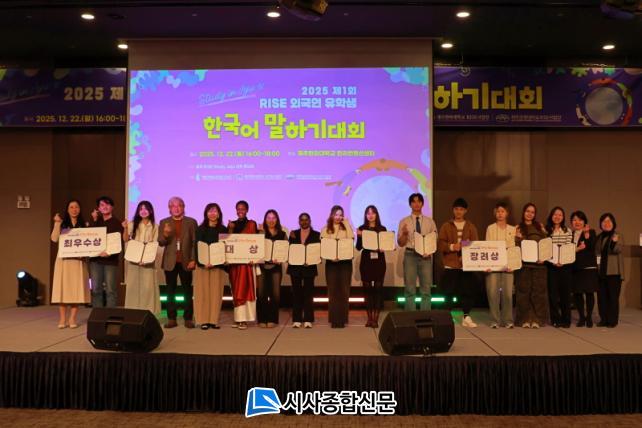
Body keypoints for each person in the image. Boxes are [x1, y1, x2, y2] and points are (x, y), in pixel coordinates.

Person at [438, 197, 480, 327]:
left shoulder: (471, 226)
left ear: (465, 211)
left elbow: (475, 244)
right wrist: (452, 247)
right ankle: (447, 316)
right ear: (453, 210)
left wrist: (465, 253)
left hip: (466, 265)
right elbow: (440, 243)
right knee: (448, 291)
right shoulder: (446, 225)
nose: (458, 212)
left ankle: (466, 316)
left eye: (461, 209)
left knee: (467, 291)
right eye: (456, 209)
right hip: (450, 264)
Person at [158, 197, 197, 329]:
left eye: (179, 205)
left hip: (186, 261)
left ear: (183, 207)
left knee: (187, 291)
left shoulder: (191, 222)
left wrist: (193, 259)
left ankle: (188, 318)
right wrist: (165, 234)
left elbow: (194, 243)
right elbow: (161, 242)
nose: (176, 208)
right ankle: (171, 318)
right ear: (169, 208)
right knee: (170, 291)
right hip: (170, 261)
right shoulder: (164, 222)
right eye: (173, 206)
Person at [51, 200, 90, 328]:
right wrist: (57, 223)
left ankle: (72, 318)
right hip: (64, 261)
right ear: (67, 210)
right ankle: (62, 319)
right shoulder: (62, 224)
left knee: (76, 289)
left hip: (78, 261)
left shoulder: (84, 225)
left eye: (76, 207)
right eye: (71, 207)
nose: (74, 209)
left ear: (80, 209)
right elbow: (54, 238)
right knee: (62, 289)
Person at [397, 193, 437, 311]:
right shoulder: (404, 221)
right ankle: (410, 316)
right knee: (410, 289)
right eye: (413, 201)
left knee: (426, 289)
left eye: (419, 201)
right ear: (410, 204)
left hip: (425, 256)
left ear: (422, 204)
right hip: (410, 255)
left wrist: (429, 251)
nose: (416, 204)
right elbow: (400, 243)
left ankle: (425, 316)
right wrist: (404, 234)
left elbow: (434, 239)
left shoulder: (430, 222)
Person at [194, 203, 228, 330]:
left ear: (219, 214)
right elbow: (197, 247)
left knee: (216, 293)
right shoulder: (200, 229)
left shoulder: (223, 229)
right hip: (203, 266)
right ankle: (203, 320)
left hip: (217, 266)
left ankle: (213, 320)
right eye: (210, 211)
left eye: (215, 211)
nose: (212, 214)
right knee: (203, 293)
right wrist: (203, 262)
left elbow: (225, 247)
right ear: (206, 213)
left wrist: (217, 261)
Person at [515, 203, 549, 329]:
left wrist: (543, 257)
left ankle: (537, 319)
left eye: (532, 212)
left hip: (539, 266)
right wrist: (517, 238)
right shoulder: (518, 228)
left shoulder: (539, 227)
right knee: (523, 293)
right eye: (527, 211)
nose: (530, 214)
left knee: (538, 293)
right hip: (524, 265)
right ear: (523, 212)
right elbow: (515, 248)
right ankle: (524, 319)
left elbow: (546, 245)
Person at [123, 200, 160, 314]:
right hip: (134, 260)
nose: (143, 211)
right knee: (133, 286)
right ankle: (132, 312)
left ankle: (148, 312)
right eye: (141, 209)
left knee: (148, 288)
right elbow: (125, 239)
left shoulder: (155, 226)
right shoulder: (132, 224)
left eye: (146, 209)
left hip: (148, 261)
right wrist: (125, 228)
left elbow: (154, 244)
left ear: (150, 211)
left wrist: (146, 259)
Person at [320, 205, 354, 328]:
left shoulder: (346, 228)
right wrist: (331, 256)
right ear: (331, 215)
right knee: (333, 291)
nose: (338, 217)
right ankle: (334, 319)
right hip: (331, 264)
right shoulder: (325, 229)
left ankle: (343, 318)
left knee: (344, 291)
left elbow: (351, 239)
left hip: (345, 263)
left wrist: (347, 224)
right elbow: (323, 245)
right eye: (336, 214)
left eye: (340, 215)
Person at [227, 200, 258, 330]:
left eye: (243, 209)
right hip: (235, 265)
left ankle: (244, 319)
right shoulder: (232, 225)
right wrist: (230, 229)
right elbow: (227, 242)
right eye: (238, 209)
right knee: (236, 291)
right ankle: (238, 318)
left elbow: (255, 242)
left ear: (247, 210)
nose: (240, 211)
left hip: (247, 265)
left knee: (245, 290)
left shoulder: (252, 224)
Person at [484, 202, 516, 328]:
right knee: (493, 293)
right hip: (493, 265)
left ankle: (508, 320)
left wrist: (512, 263)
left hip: (508, 265)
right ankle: (494, 320)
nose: (500, 214)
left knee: (508, 294)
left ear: (507, 213)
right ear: (495, 213)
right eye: (498, 211)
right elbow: (487, 247)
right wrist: (486, 265)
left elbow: (513, 249)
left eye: (502, 211)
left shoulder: (512, 229)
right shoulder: (490, 228)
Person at [88, 196, 123, 308]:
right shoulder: (95, 221)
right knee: (96, 289)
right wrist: (94, 220)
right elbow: (90, 238)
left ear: (112, 207)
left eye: (107, 204)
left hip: (111, 261)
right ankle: (98, 314)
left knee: (110, 290)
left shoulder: (117, 223)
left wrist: (110, 252)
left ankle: (110, 314)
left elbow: (119, 243)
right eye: (102, 205)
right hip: (95, 260)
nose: (105, 207)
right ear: (98, 208)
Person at [287, 212, 320, 329]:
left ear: (310, 221)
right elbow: (289, 250)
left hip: (309, 268)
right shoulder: (293, 234)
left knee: (308, 294)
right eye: (302, 220)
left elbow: (317, 252)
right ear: (299, 221)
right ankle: (296, 319)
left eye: (306, 220)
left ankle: (308, 319)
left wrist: (311, 260)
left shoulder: (317, 235)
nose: (304, 222)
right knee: (296, 294)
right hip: (295, 268)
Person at [356, 205, 387, 328]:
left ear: (376, 214)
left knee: (378, 290)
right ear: (365, 215)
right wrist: (359, 236)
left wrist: (384, 247)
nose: (370, 215)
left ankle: (376, 318)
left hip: (379, 261)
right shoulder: (361, 228)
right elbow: (358, 247)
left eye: (373, 213)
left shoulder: (382, 229)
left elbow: (386, 245)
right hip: (366, 261)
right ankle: (369, 318)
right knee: (367, 290)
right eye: (368, 213)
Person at [257, 209, 287, 328]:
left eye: (273, 218)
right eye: (268, 218)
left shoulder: (282, 234)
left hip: (276, 267)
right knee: (261, 293)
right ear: (265, 220)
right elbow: (255, 248)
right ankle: (262, 319)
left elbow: (285, 250)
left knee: (275, 294)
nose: (271, 220)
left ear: (277, 219)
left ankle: (272, 319)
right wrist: (261, 233)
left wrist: (281, 258)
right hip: (262, 266)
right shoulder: (260, 232)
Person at [595, 213, 625, 328]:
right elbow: (597, 253)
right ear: (600, 224)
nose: (606, 224)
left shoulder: (618, 235)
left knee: (612, 298)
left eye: (609, 221)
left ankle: (612, 321)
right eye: (604, 221)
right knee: (602, 297)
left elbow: (617, 250)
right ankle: (603, 319)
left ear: (613, 223)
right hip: (601, 272)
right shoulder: (599, 237)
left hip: (614, 272)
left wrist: (613, 242)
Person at [545, 206, 573, 328]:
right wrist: (552, 261)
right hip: (551, 266)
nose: (557, 217)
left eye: (560, 215)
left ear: (563, 217)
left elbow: (568, 248)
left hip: (565, 266)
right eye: (555, 214)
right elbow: (545, 248)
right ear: (551, 216)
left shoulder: (567, 231)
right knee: (553, 295)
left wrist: (562, 261)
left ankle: (566, 320)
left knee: (565, 294)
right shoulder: (547, 231)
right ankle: (555, 319)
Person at [570, 210, 599, 328]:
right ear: (571, 222)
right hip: (575, 267)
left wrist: (586, 235)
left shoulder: (591, 232)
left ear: (584, 222)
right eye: (574, 220)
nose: (577, 222)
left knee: (589, 293)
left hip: (588, 268)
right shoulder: (570, 234)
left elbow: (592, 247)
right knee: (577, 293)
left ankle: (589, 317)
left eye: (580, 220)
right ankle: (582, 317)